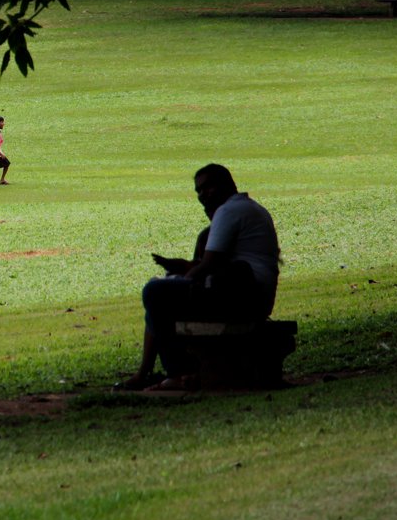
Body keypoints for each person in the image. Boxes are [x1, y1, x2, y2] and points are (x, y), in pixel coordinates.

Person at [119, 164, 281, 391]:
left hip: (245, 298)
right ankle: (145, 373)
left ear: (226, 184)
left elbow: (208, 266)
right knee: (160, 294)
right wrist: (183, 269)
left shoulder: (229, 211)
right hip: (251, 296)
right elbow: (218, 263)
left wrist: (182, 280)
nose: (202, 195)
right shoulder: (247, 208)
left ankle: (178, 372)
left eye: (208, 188)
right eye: (198, 191)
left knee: (155, 292)